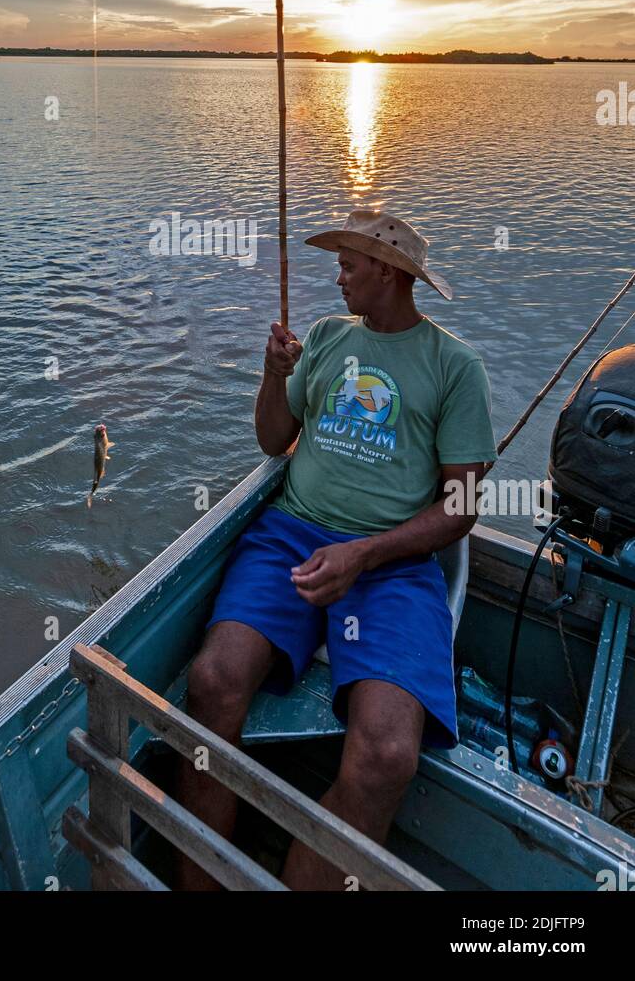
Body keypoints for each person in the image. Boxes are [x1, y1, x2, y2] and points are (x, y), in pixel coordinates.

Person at [175, 208, 498, 890]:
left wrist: (365, 555)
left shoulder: (453, 366)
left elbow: (461, 508)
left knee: (385, 755)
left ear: (386, 270)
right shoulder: (323, 338)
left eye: (349, 264)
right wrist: (271, 374)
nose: (337, 274)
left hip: (392, 565)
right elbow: (272, 440)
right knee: (210, 684)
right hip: (290, 535)